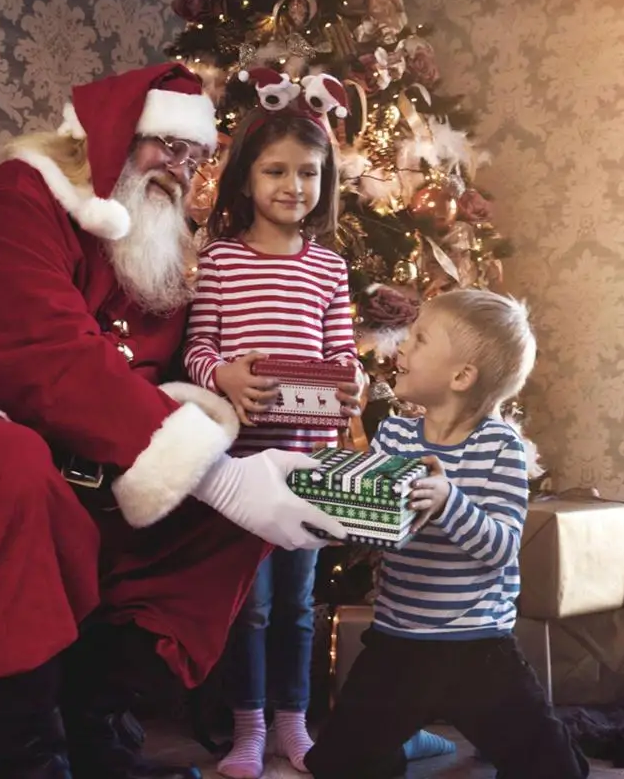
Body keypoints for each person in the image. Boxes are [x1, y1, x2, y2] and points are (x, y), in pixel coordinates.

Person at [0, 62, 350, 779]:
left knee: (238, 516)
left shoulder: (150, 244)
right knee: (15, 476)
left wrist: (230, 428)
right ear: (113, 135)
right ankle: (31, 759)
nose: (178, 169)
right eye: (164, 145)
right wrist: (212, 473)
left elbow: (159, 371)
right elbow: (46, 355)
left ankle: (101, 723)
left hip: (80, 445)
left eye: (193, 156)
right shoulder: (10, 198)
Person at [183, 80, 453, 779]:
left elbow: (341, 358)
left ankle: (294, 728)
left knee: (298, 607)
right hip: (241, 470)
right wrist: (226, 376)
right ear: (245, 175)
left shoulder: (329, 268)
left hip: (309, 469)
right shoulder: (221, 261)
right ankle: (247, 733)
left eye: (309, 172)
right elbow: (196, 352)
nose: (293, 185)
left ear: (325, 181)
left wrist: (354, 383)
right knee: (251, 608)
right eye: (276, 170)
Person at [304, 289, 591, 779]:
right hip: (397, 644)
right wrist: (339, 519)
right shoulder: (394, 435)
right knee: (335, 764)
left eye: (419, 339)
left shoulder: (501, 447)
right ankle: (404, 738)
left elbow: (501, 548)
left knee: (552, 769)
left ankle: (416, 732)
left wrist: (449, 502)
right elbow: (380, 535)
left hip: (478, 650)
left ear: (461, 377)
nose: (401, 347)